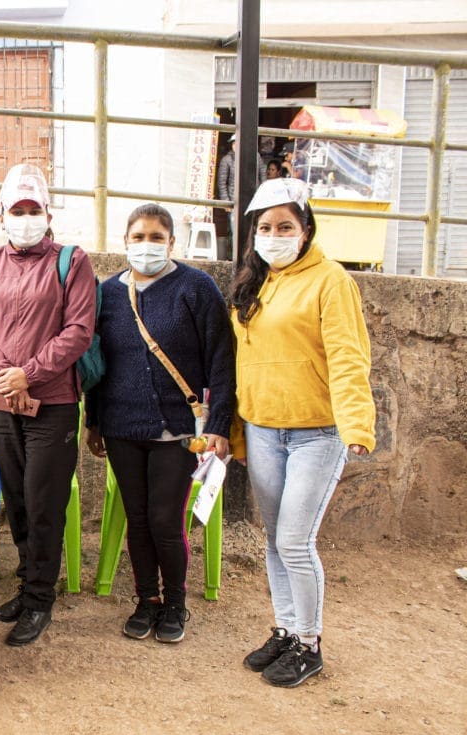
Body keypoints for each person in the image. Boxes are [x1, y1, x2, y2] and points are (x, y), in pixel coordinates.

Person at [230, 178, 375, 688]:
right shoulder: (257, 281)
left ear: (306, 229)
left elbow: (348, 356)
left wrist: (357, 424)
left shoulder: (332, 281)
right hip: (265, 428)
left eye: (285, 226)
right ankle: (287, 629)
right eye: (265, 227)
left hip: (317, 431)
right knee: (275, 539)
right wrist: (238, 431)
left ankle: (310, 643)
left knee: (295, 540)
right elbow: (245, 363)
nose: (274, 235)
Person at [84, 204, 235, 643]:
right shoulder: (109, 292)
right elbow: (97, 363)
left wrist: (219, 425)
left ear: (172, 243)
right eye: (138, 236)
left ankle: (175, 602)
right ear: (124, 241)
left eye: (156, 237)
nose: (146, 244)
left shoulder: (197, 288)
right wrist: (94, 421)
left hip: (178, 431)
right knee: (137, 517)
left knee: (165, 520)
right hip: (121, 427)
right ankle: (146, 598)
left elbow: (222, 362)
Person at [0, 163, 97, 647]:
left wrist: (30, 373)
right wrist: (5, 375)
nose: (24, 217)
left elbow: (78, 330)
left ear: (47, 212)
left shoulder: (72, 263)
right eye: (16, 210)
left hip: (53, 402)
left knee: (44, 501)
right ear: (1, 216)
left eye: (32, 209)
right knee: (14, 496)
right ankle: (28, 580)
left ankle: (40, 598)